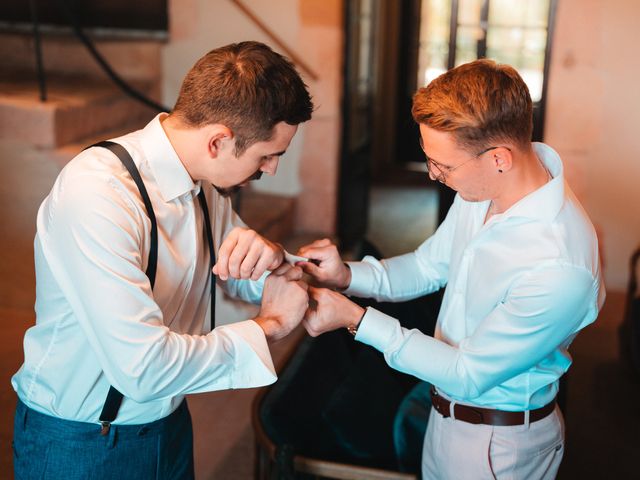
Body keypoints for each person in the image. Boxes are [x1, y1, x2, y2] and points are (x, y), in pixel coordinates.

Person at [12, 41, 313, 479]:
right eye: (267, 155)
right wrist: (271, 328)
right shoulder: (98, 193)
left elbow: (231, 269)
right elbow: (145, 369)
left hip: (168, 425)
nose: (271, 169)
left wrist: (270, 261)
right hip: (82, 443)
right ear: (219, 141)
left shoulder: (205, 182)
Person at [297, 59, 605, 479]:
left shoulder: (560, 265)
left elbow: (467, 373)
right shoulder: (484, 190)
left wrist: (355, 319)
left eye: (443, 166)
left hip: (501, 448)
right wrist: (347, 276)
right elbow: (429, 265)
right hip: (443, 416)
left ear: (499, 158)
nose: (433, 175)